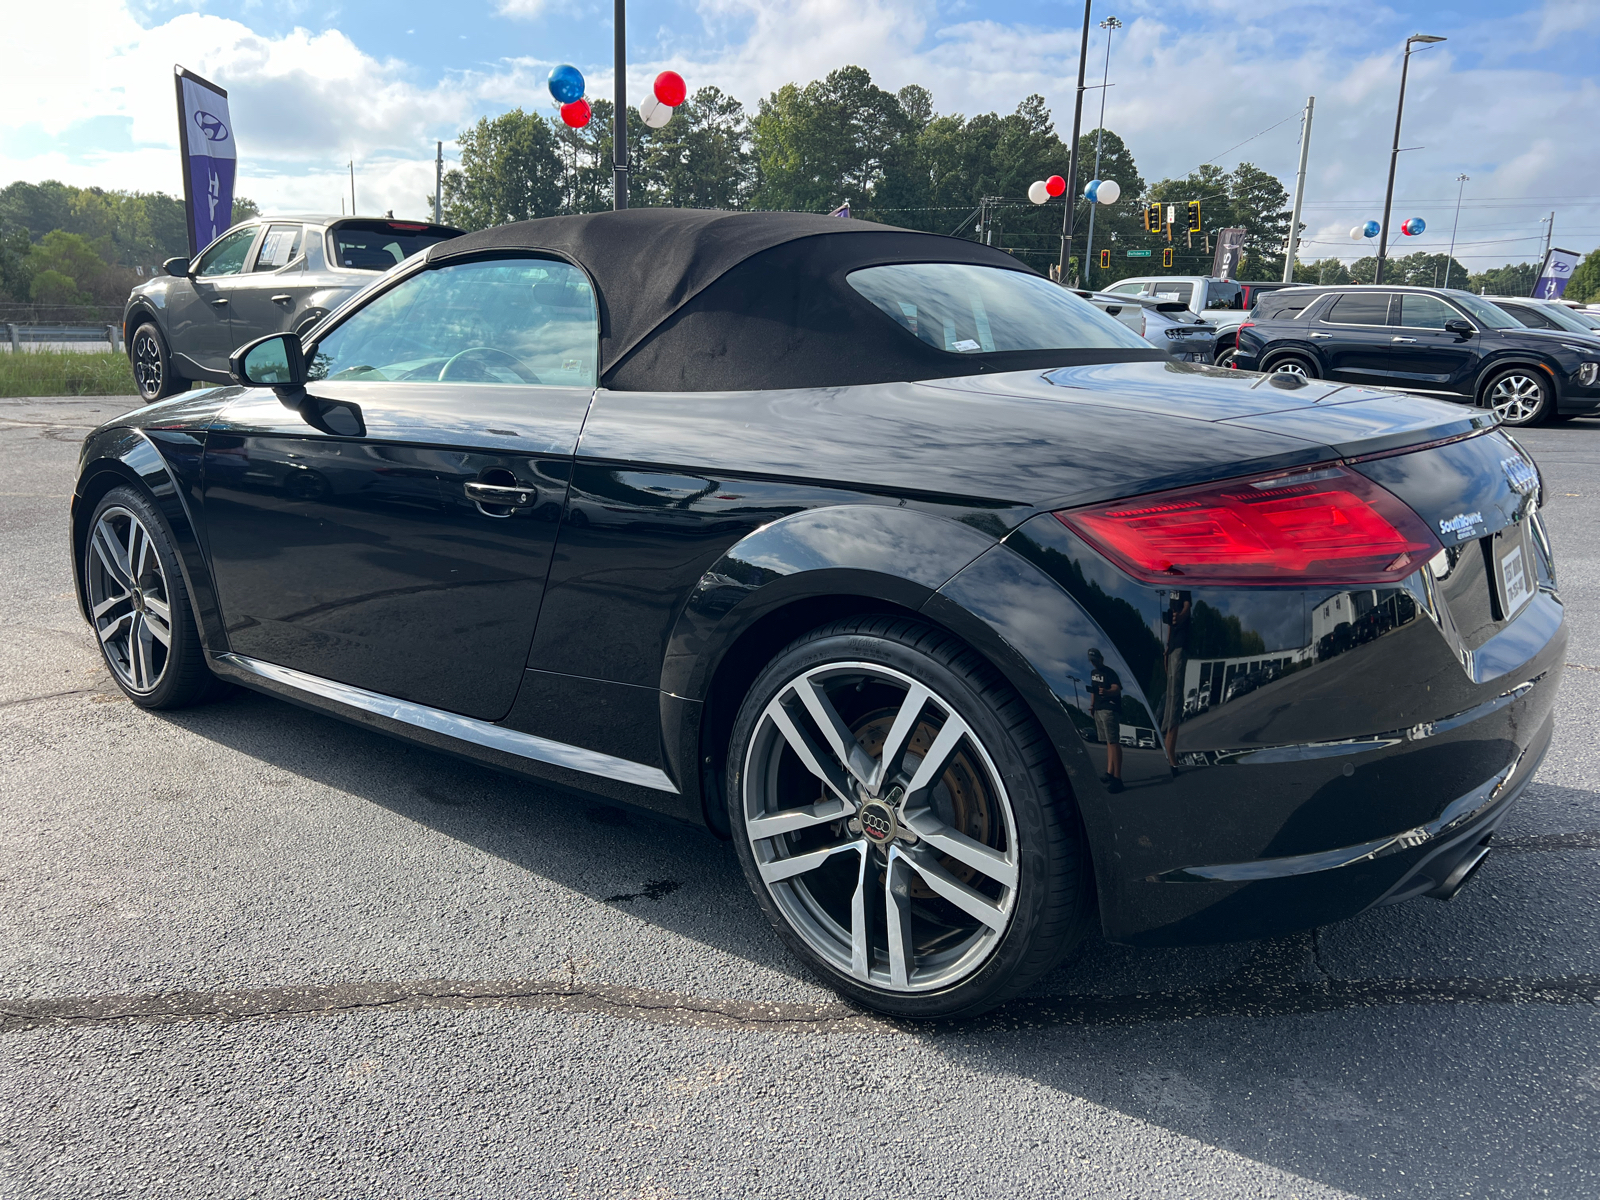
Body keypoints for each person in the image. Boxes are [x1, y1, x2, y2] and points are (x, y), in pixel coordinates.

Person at [1161, 590, 1192, 774]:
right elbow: (1169, 625)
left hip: (1181, 644)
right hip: (1172, 646)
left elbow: (1187, 609)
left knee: (1176, 695)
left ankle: (1170, 752)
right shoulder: (1171, 593)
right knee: (1170, 692)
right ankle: (1167, 748)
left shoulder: (1184, 590)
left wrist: (1180, 616)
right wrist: (1166, 647)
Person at [1086, 648, 1123, 794]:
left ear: (1101, 658)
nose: (1094, 663)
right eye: (1092, 661)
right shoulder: (1093, 673)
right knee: (1108, 742)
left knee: (1113, 742)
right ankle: (1109, 772)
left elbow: (1117, 689)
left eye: (1096, 660)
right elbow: (1093, 691)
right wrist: (1092, 706)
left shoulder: (1110, 672)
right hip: (1099, 709)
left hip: (1110, 708)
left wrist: (1107, 692)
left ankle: (1118, 778)